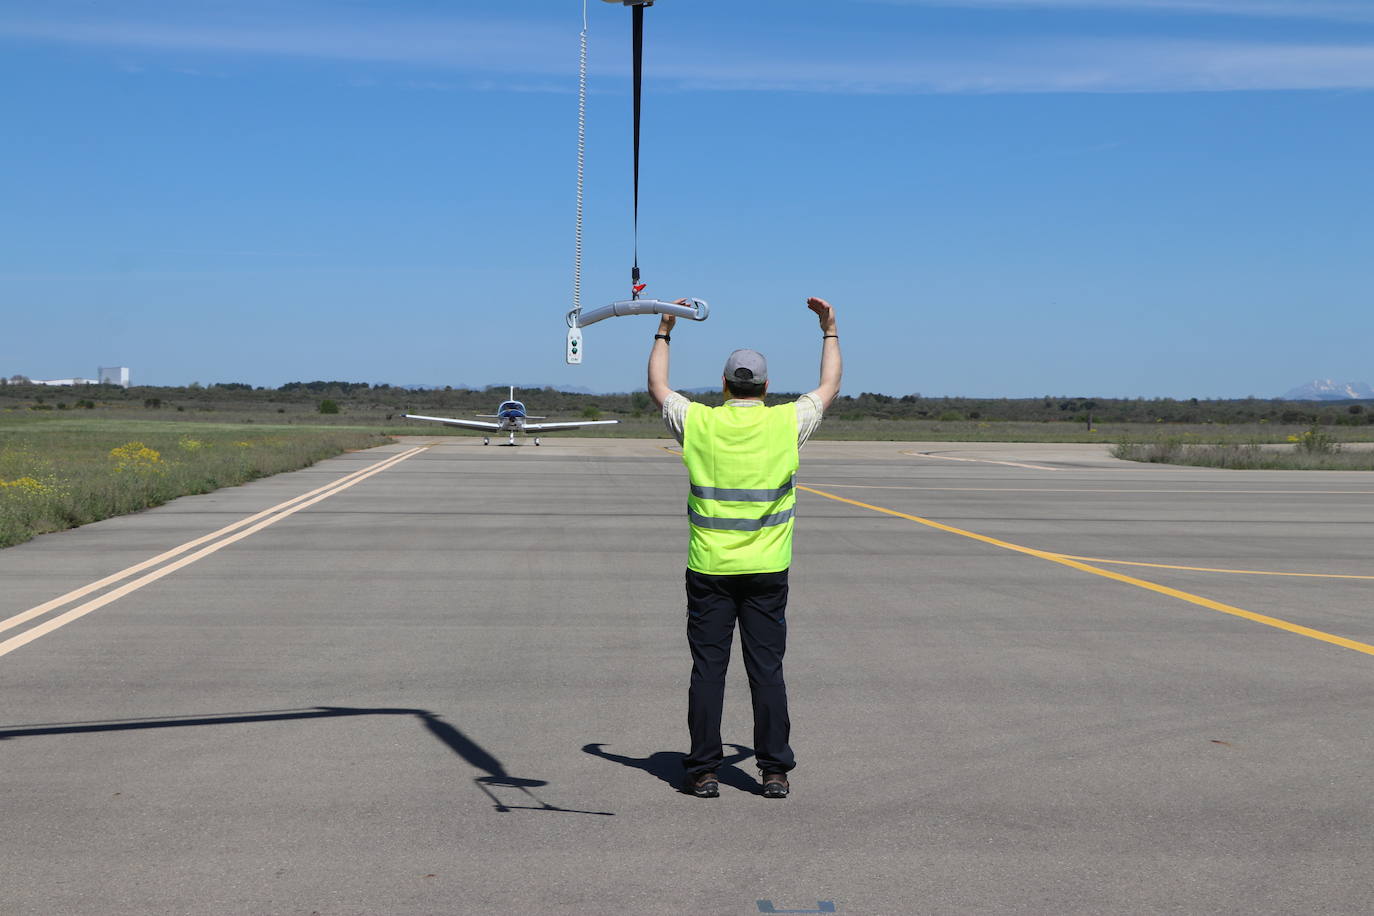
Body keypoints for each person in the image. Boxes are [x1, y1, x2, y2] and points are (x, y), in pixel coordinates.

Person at [647, 297, 842, 799]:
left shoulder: (700, 422)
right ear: (766, 386)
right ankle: (774, 770)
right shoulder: (785, 423)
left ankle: (705, 770)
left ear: (724, 384)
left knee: (708, 672)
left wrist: (666, 329)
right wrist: (830, 330)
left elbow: (658, 388)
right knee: (766, 671)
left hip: (709, 568)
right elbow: (829, 387)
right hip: (766, 569)